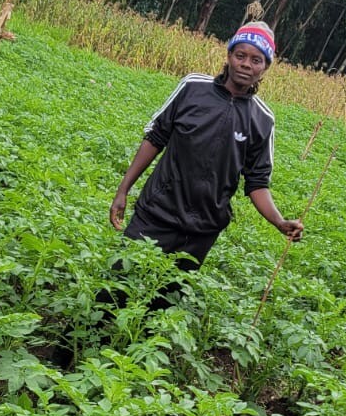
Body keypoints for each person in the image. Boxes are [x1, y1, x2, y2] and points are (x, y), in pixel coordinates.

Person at [109, 21, 304, 278]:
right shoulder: (192, 87)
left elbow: (257, 182)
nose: (246, 64)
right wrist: (123, 190)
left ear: (265, 68)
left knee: (168, 296)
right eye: (240, 55)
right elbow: (155, 138)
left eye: (256, 60)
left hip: (201, 231)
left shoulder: (262, 119)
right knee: (118, 285)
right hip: (156, 213)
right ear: (229, 56)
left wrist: (278, 221)